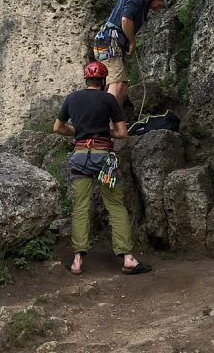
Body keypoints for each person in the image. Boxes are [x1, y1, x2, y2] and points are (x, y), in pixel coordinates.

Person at [53, 61, 152, 276]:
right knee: (115, 205)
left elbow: (58, 128)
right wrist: (106, 133)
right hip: (103, 159)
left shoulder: (71, 99)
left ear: (86, 79)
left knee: (81, 207)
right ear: (103, 80)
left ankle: (77, 261)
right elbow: (122, 133)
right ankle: (128, 259)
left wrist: (79, 132)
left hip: (80, 157)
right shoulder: (108, 99)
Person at [93, 0, 176, 104]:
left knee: (123, 89)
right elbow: (126, 20)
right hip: (110, 42)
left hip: (111, 42)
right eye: (160, 5)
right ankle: (108, 116)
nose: (158, 9)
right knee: (117, 84)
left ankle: (115, 114)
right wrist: (132, 41)